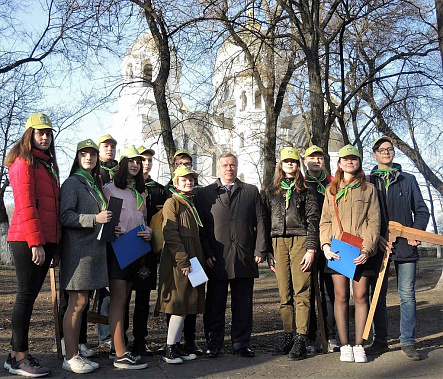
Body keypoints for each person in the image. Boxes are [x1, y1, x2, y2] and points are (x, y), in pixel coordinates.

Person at [4, 113, 61, 377]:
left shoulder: (45, 165)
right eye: (40, 132)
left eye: (48, 133)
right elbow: (26, 205)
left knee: (30, 296)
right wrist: (36, 243)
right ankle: (20, 357)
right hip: (27, 238)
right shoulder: (23, 163)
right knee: (26, 295)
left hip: (45, 239)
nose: (45, 137)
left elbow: (52, 208)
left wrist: (54, 244)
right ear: (29, 135)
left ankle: (14, 354)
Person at [366, 136, 429, 361]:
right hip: (377, 248)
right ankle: (380, 340)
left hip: (405, 248)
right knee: (377, 296)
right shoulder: (368, 181)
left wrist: (415, 233)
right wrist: (375, 239)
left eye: (389, 149)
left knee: (407, 295)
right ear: (374, 154)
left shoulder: (408, 180)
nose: (386, 152)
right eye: (381, 150)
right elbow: (364, 217)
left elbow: (421, 211)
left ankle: (408, 341)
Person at [199, 153, 267, 358]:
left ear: (237, 167)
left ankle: (241, 342)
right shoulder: (205, 194)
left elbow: (261, 221)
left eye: (233, 165)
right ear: (218, 168)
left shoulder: (251, 191)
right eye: (225, 165)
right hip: (217, 257)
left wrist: (260, 249)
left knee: (243, 303)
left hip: (244, 255)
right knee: (215, 304)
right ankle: (213, 342)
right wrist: (207, 252)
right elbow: (201, 227)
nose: (229, 168)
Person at [320, 144, 380, 364]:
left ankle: (359, 344)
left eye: (353, 158)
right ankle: (345, 345)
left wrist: (367, 248)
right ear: (339, 163)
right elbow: (325, 221)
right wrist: (325, 246)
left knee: (361, 296)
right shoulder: (331, 190)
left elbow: (374, 221)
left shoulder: (369, 189)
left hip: (361, 250)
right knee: (340, 296)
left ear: (359, 162)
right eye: (345, 159)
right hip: (338, 249)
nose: (349, 162)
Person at [59, 139, 112, 373]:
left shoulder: (93, 183)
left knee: (82, 304)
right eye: (84, 154)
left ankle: (75, 352)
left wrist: (109, 226)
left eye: (92, 154)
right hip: (78, 252)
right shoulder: (73, 182)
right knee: (77, 304)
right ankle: (70, 357)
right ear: (78, 157)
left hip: (93, 251)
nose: (88, 158)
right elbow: (66, 216)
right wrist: (95, 220)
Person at [265, 147, 320, 360]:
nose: (290, 164)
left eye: (294, 161)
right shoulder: (271, 192)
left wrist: (311, 248)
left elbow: (313, 220)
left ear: (298, 165)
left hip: (300, 241)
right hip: (278, 242)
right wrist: (268, 250)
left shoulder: (306, 190)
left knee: (302, 291)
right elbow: (266, 222)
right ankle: (288, 335)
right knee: (284, 293)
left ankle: (301, 337)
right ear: (281, 165)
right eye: (286, 161)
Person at [103, 146, 151, 370]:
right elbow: (105, 220)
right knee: (119, 300)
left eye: (138, 162)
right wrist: (112, 229)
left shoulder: (140, 193)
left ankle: (121, 348)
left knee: (126, 300)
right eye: (131, 161)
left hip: (136, 250)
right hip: (117, 249)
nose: (135, 165)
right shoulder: (109, 189)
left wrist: (148, 232)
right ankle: (120, 353)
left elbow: (143, 220)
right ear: (123, 164)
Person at [156, 166, 206, 364]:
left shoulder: (189, 202)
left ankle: (177, 346)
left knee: (187, 302)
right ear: (175, 182)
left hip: (193, 257)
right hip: (179, 260)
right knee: (178, 302)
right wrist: (182, 260)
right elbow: (171, 233)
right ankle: (170, 349)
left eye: (191, 179)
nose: (189, 182)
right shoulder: (172, 202)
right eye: (184, 179)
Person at [124, 146, 166, 357]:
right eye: (142, 160)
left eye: (149, 160)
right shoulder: (124, 186)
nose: (146, 164)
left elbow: (161, 220)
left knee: (143, 297)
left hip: (148, 248)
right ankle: (119, 340)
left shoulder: (158, 189)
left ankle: (140, 340)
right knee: (121, 296)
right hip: (126, 245)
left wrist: (155, 238)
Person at [303, 145, 339, 354]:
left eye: (319, 157)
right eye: (312, 157)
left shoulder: (333, 183)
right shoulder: (301, 183)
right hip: (307, 245)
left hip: (332, 245)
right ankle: (309, 337)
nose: (316, 160)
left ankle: (332, 335)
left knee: (330, 293)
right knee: (307, 292)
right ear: (305, 160)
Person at [96, 133, 118, 348]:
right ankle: (73, 338)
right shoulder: (95, 171)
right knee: (83, 292)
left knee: (109, 289)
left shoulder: (118, 171)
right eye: (105, 146)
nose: (109, 149)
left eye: (112, 146)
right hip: (93, 233)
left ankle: (107, 336)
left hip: (116, 234)